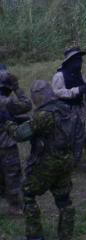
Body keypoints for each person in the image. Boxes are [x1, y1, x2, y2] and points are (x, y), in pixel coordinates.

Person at [6, 80, 83, 240]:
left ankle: (35, 237)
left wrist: (8, 123)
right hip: (66, 161)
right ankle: (65, 239)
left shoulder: (44, 115)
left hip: (47, 163)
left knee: (27, 193)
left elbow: (20, 135)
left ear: (38, 96)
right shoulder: (67, 109)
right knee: (63, 199)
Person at [0, 70, 33, 216]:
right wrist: (17, 87)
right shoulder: (6, 101)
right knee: (12, 174)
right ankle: (15, 205)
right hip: (6, 144)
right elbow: (26, 105)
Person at [51, 46, 86, 113]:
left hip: (79, 110)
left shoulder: (79, 74)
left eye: (80, 59)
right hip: (64, 113)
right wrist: (77, 90)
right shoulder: (59, 76)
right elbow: (56, 93)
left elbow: (84, 85)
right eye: (76, 59)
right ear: (70, 60)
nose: (79, 61)